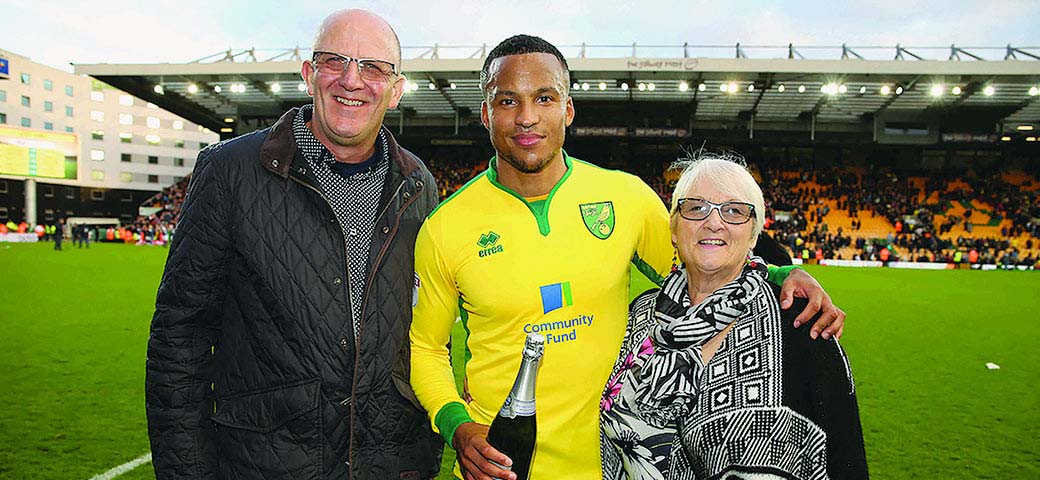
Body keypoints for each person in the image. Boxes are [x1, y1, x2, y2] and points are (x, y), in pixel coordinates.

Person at [409, 35, 845, 480]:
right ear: (485, 112)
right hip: (503, 466)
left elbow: (700, 265)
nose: (527, 117)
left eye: (545, 98)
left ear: (568, 109)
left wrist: (784, 272)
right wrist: (456, 425)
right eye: (507, 101)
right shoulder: (446, 227)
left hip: (610, 467)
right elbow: (425, 347)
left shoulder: (625, 197)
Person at [146, 9, 442, 479]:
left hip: (388, 465)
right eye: (333, 61)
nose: (351, 79)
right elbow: (178, 337)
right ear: (309, 74)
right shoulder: (230, 171)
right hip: (264, 466)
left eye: (373, 68)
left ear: (396, 88)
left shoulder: (418, 184)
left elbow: (428, 336)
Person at [600, 155, 867, 479]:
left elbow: (844, 457)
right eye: (696, 208)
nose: (714, 222)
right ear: (673, 227)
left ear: (754, 234)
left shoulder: (802, 323)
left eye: (734, 211)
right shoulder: (642, 314)